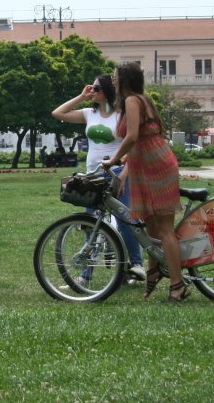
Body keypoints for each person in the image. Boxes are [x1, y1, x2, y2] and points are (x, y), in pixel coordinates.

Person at [102, 62, 185, 302]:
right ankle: (154, 271)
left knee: (165, 229)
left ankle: (178, 285)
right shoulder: (142, 99)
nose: (113, 80)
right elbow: (143, 138)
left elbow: (133, 136)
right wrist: (125, 168)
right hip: (147, 163)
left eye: (115, 77)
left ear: (124, 79)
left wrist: (114, 160)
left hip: (155, 166)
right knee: (150, 229)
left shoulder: (132, 101)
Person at [52, 74, 145, 282]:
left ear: (106, 92)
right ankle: (86, 274)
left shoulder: (121, 114)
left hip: (117, 173)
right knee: (90, 222)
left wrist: (124, 174)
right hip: (92, 175)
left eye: (95, 88)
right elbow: (58, 113)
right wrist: (81, 96)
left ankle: (137, 265)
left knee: (126, 220)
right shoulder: (89, 113)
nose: (91, 91)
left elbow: (134, 145)